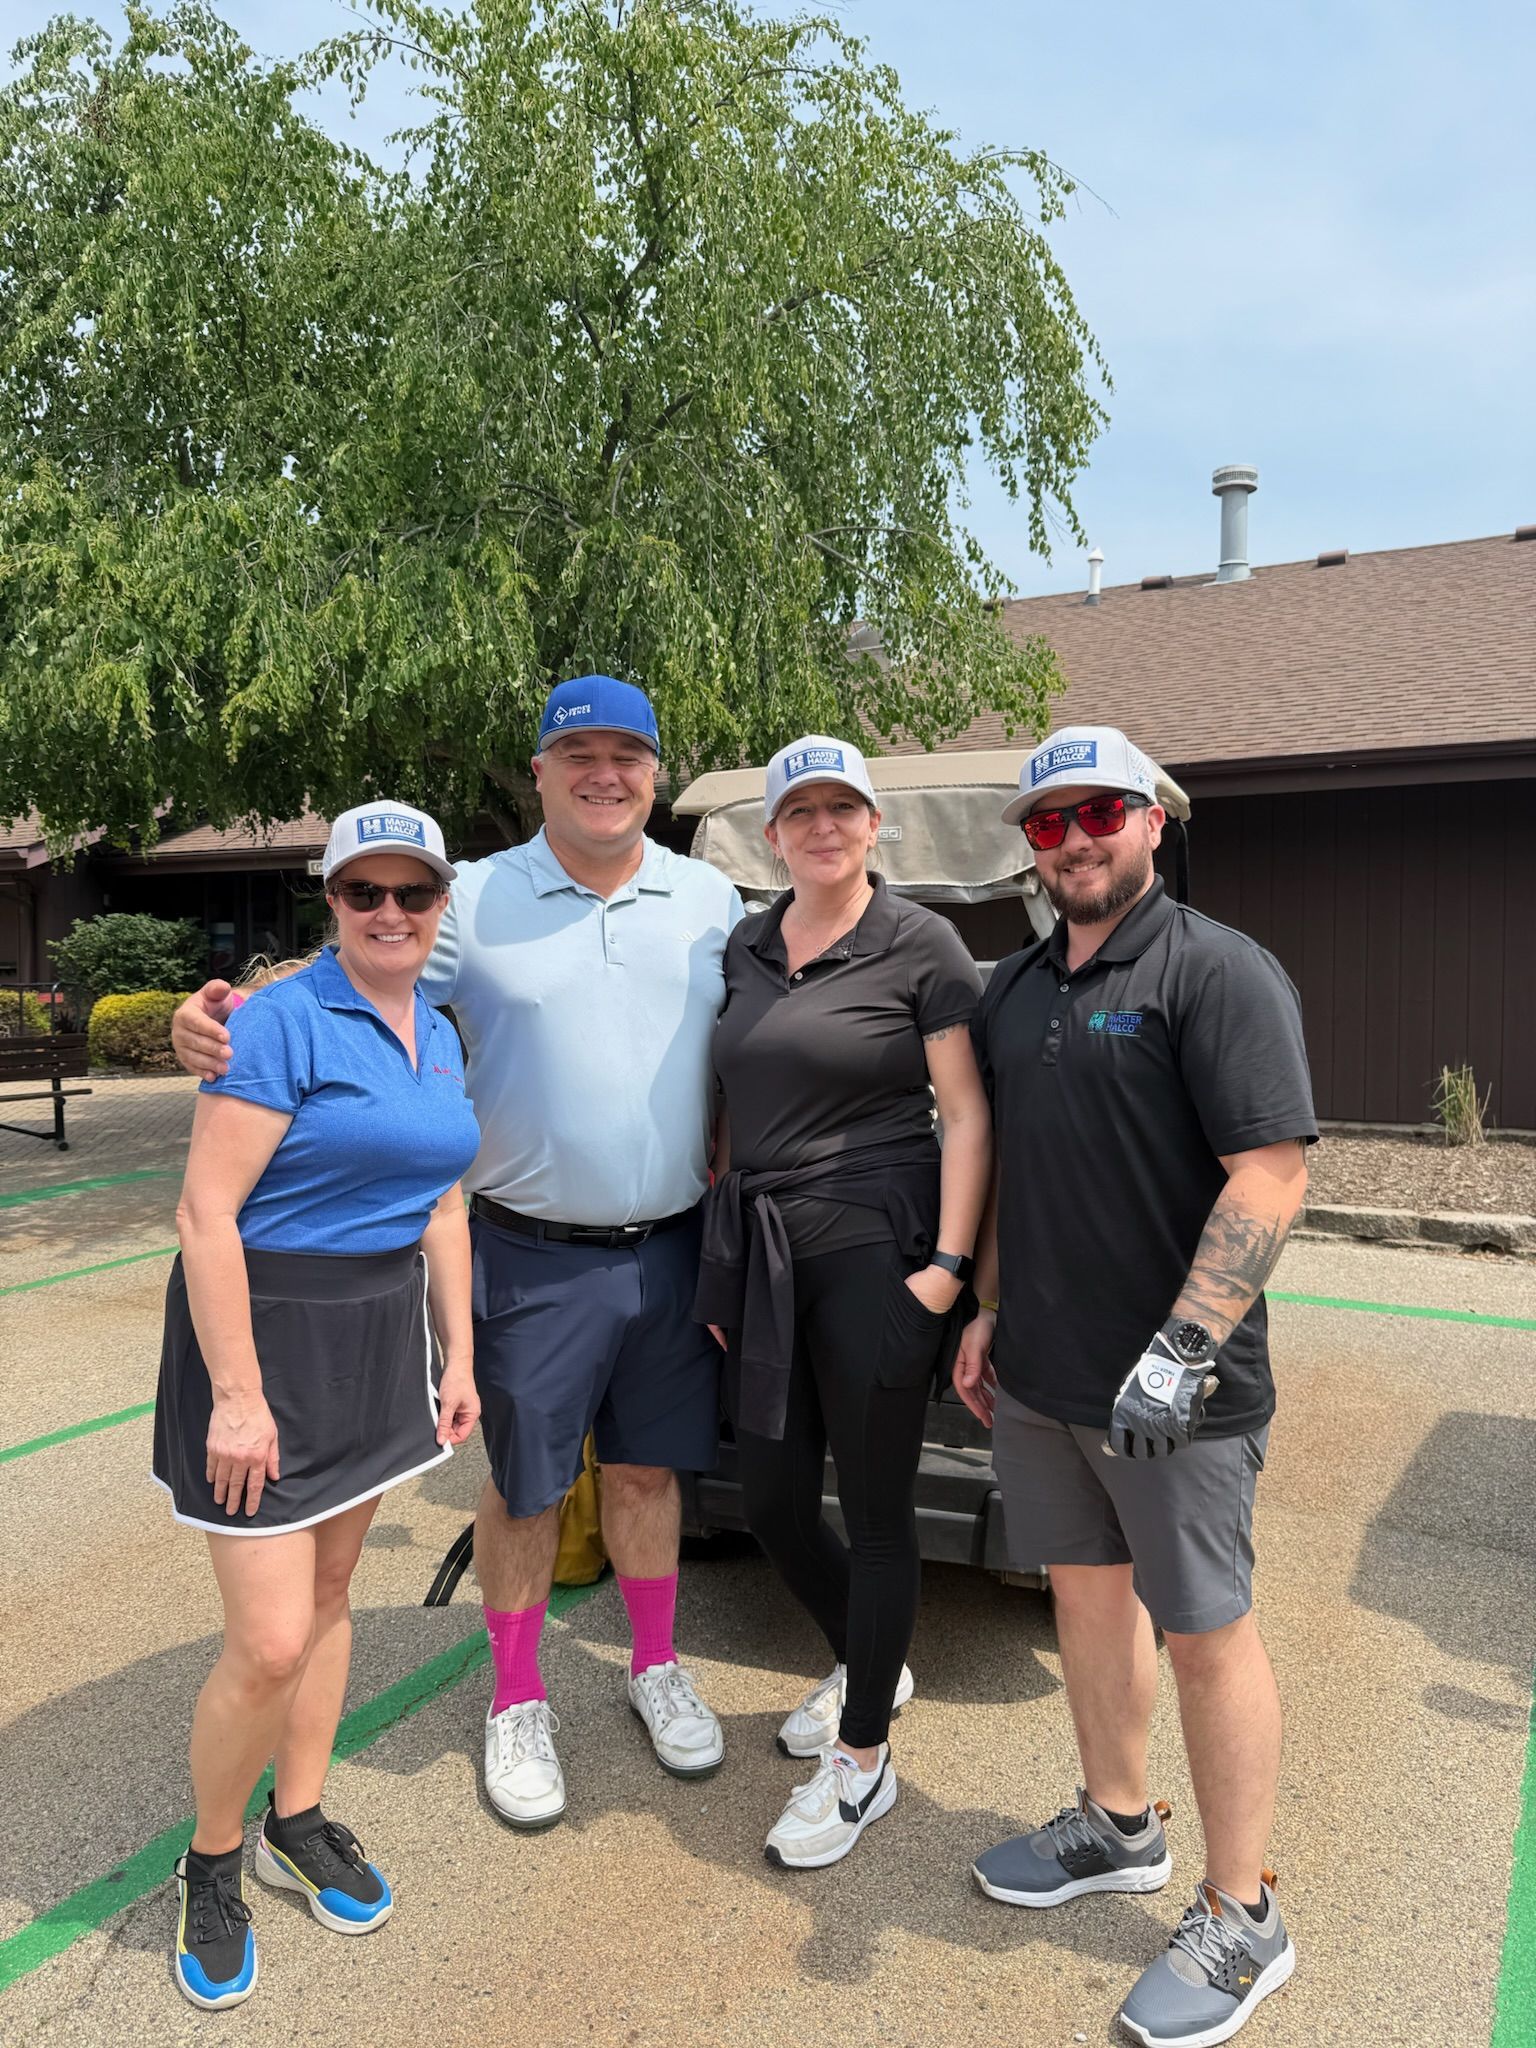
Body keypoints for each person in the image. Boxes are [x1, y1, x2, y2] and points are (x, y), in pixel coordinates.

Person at [173, 678, 744, 1833]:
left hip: (675, 1244)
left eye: (627, 753)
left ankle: (652, 1662)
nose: (603, 772)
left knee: (646, 1471)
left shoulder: (712, 894)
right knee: (527, 1484)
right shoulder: (470, 897)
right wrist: (222, 1017)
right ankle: (520, 1694)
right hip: (530, 1250)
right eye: (575, 751)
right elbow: (359, 974)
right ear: (538, 771)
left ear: (657, 773)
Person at [953, 726, 1315, 2048]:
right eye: (1047, 824)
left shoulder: (1219, 973)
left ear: (1154, 820)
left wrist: (1185, 1345)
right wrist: (988, 1311)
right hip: (1043, 1380)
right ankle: (1117, 1823)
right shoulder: (1017, 989)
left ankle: (1243, 1914)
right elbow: (1008, 1164)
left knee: (1207, 1629)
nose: (1074, 839)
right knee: (1084, 1600)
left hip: (1184, 1398)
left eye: (1100, 811)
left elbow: (1270, 1171)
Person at [154, 801, 481, 2011]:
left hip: (379, 1340)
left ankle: (301, 1813)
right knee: (270, 1637)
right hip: (268, 1343)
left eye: (414, 893)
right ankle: (213, 1857)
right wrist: (236, 1395)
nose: (390, 913)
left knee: (338, 1593)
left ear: (440, 903)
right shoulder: (279, 1020)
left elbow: (444, 1204)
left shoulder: (440, 1030)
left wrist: (459, 1351)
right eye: (364, 893)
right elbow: (206, 1215)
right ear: (330, 899)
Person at [695, 735, 992, 1870]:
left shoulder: (922, 942)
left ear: (876, 826)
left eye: (843, 808)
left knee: (874, 1509)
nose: (822, 826)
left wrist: (947, 1270)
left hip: (879, 1247)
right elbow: (732, 1101)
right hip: (767, 1249)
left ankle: (864, 1758)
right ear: (773, 836)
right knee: (768, 1493)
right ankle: (873, 1660)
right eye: (800, 811)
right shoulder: (746, 943)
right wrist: (728, 1260)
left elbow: (964, 1113)